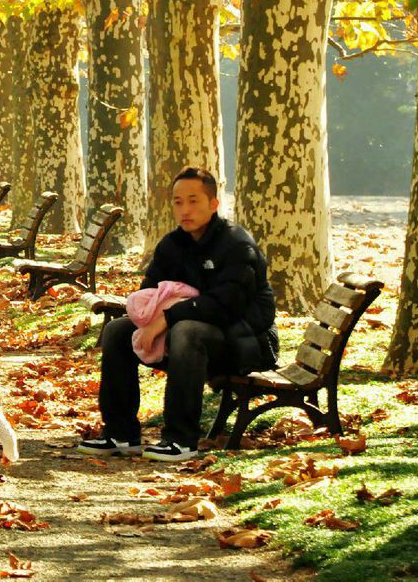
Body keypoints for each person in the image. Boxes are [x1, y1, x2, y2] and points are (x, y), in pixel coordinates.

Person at [79, 166, 277, 461]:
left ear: (213, 204)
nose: (184, 209)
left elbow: (226, 305)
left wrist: (166, 319)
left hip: (246, 342)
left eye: (194, 200)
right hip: (189, 341)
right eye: (177, 201)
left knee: (188, 331)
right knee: (118, 330)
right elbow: (150, 291)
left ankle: (181, 439)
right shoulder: (172, 245)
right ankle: (120, 434)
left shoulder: (236, 244)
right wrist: (148, 317)